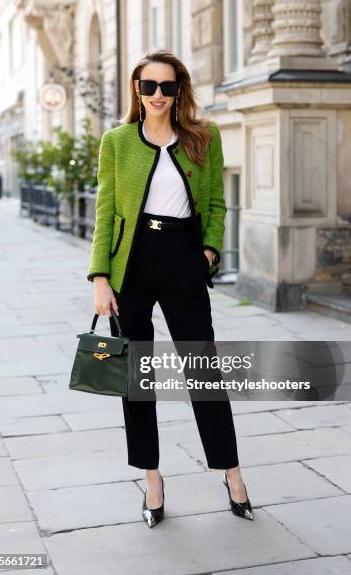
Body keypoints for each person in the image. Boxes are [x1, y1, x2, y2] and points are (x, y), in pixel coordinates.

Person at [86, 48, 253, 528]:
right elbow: (105, 211)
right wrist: (100, 277)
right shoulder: (117, 142)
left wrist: (208, 253)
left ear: (179, 90)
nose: (158, 95)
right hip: (131, 265)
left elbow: (218, 203)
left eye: (167, 86)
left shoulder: (204, 136)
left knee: (204, 370)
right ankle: (153, 479)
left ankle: (232, 473)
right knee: (137, 380)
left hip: (183, 258)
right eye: (148, 86)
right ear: (137, 90)